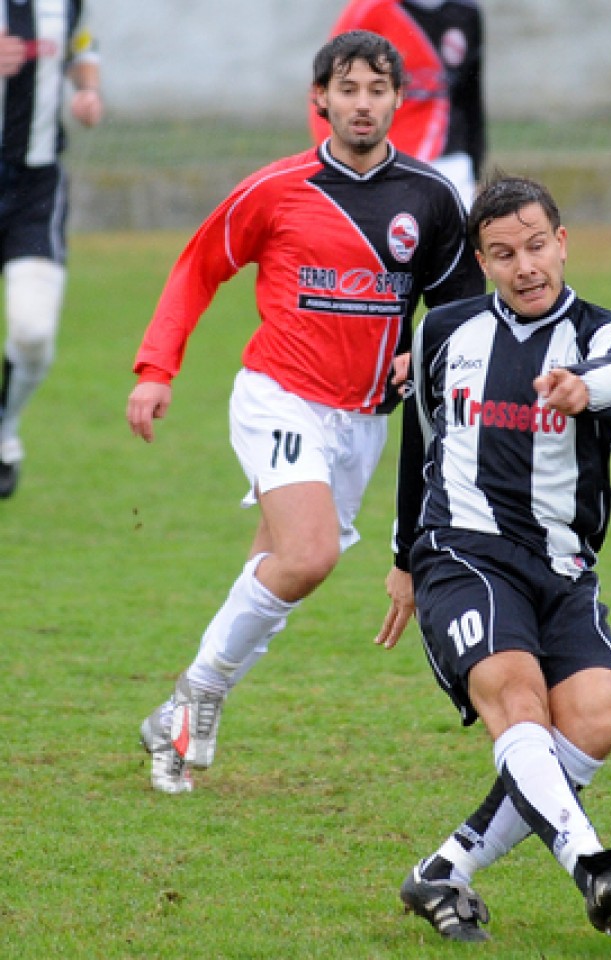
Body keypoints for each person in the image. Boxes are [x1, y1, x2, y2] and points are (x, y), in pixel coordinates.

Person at [127, 30, 487, 795]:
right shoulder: (276, 189)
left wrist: (420, 349)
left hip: (362, 424)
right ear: (319, 98)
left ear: (399, 99)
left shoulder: (429, 199)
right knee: (311, 554)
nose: (362, 104)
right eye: (347, 89)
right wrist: (157, 369)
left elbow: (459, 318)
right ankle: (200, 702)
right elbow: (198, 267)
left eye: (377, 90)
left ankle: (174, 714)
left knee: (275, 573)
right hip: (278, 395)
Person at [375, 174, 611, 942]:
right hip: (461, 554)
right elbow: (420, 443)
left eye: (537, 246)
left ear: (562, 243)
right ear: (481, 260)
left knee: (596, 720)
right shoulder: (443, 332)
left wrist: (578, 390)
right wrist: (405, 558)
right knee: (517, 701)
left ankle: (444, 870)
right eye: (503, 254)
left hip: (562, 567)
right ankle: (592, 863)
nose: (525, 266)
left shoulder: (609, 336)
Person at [0, 1, 102, 498]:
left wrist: (86, 90)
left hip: (34, 189)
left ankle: (4, 431)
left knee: (34, 329)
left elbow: (82, 43)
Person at [312, 0, 485, 206]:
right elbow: (332, 89)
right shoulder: (369, 9)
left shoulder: (466, 10)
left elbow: (469, 97)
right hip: (384, 160)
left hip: (449, 159)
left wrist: (475, 165)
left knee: (458, 232)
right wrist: (340, 161)